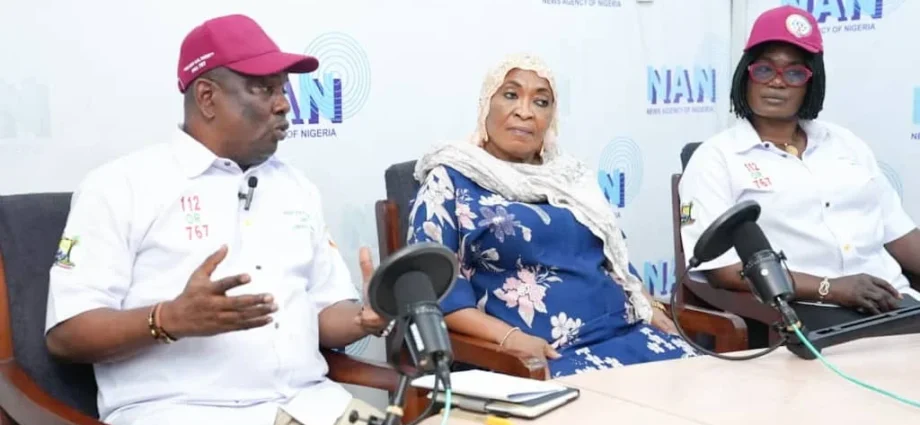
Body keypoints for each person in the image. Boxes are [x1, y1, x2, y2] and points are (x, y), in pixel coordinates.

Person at [44, 14, 390, 425]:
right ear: (207, 98)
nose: (283, 103)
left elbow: (323, 315)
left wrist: (362, 317)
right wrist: (168, 319)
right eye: (263, 89)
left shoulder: (296, 187)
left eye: (282, 89)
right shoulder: (120, 186)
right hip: (181, 411)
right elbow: (66, 336)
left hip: (310, 405)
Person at [406, 54, 696, 378]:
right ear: (485, 105)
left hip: (626, 334)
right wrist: (510, 338)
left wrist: (648, 306)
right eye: (511, 95)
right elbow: (431, 292)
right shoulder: (451, 180)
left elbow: (614, 260)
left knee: (711, 392)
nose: (525, 111)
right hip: (545, 355)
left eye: (541, 102)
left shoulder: (570, 179)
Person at [679, 6, 920, 334]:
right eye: (764, 70)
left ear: (812, 83)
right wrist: (832, 288)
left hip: (893, 301)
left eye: (794, 73)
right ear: (745, 75)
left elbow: (901, 236)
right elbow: (721, 270)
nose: (777, 83)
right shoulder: (716, 158)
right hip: (809, 310)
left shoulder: (846, 144)